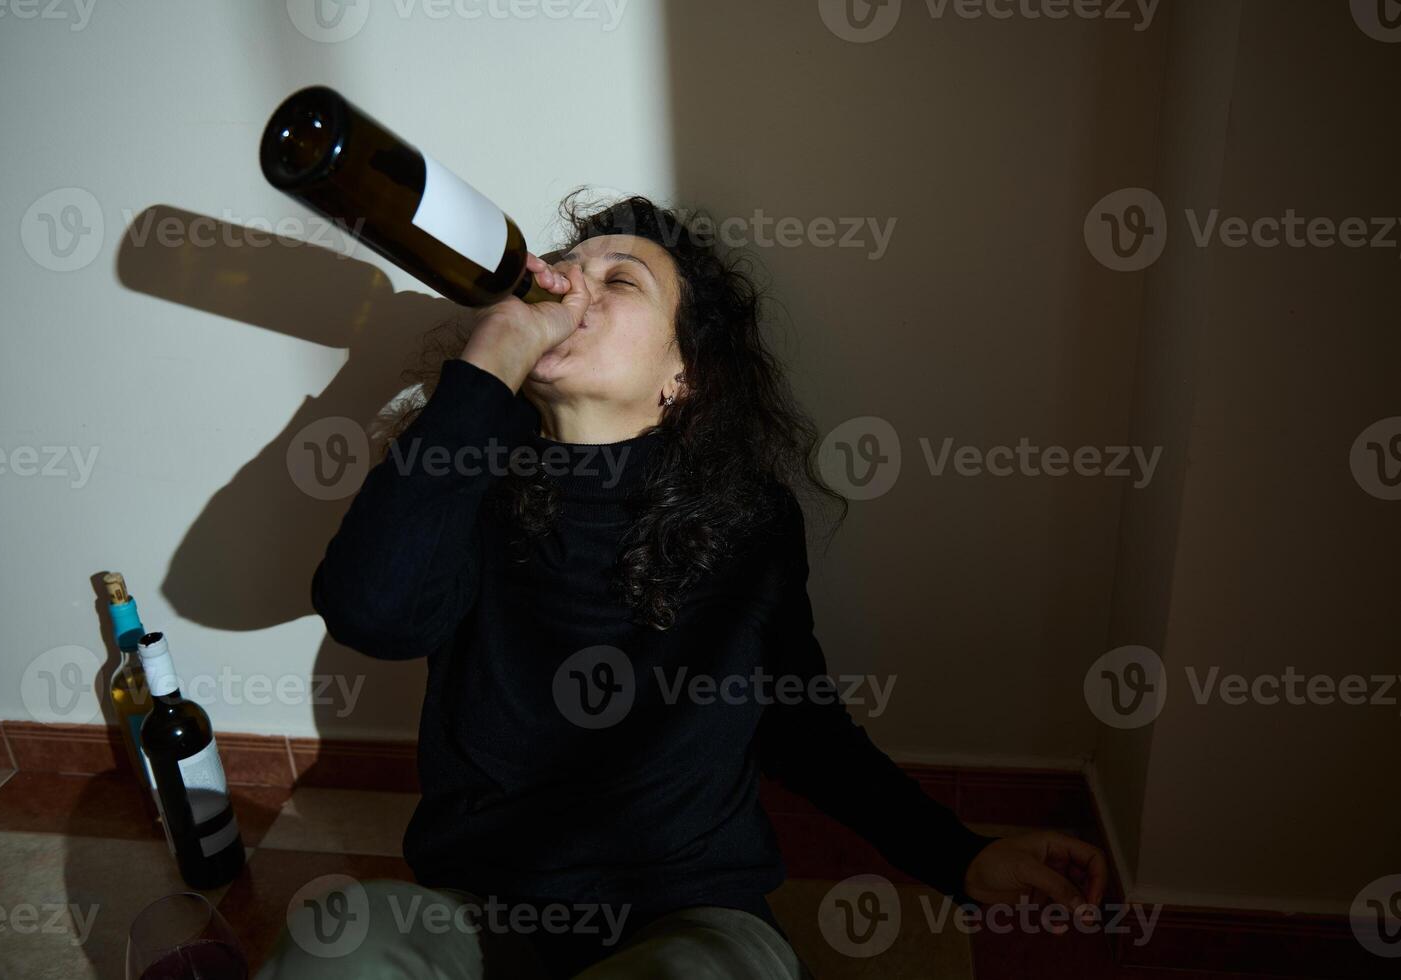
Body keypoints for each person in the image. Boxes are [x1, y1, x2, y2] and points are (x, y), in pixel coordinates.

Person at [257, 195, 1107, 979]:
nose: (570, 287)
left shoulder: (747, 518)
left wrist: (956, 855)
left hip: (687, 916)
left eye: (617, 279)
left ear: (685, 375)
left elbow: (799, 722)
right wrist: (487, 370)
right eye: (564, 269)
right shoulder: (467, 476)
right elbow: (372, 613)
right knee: (341, 938)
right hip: (483, 912)